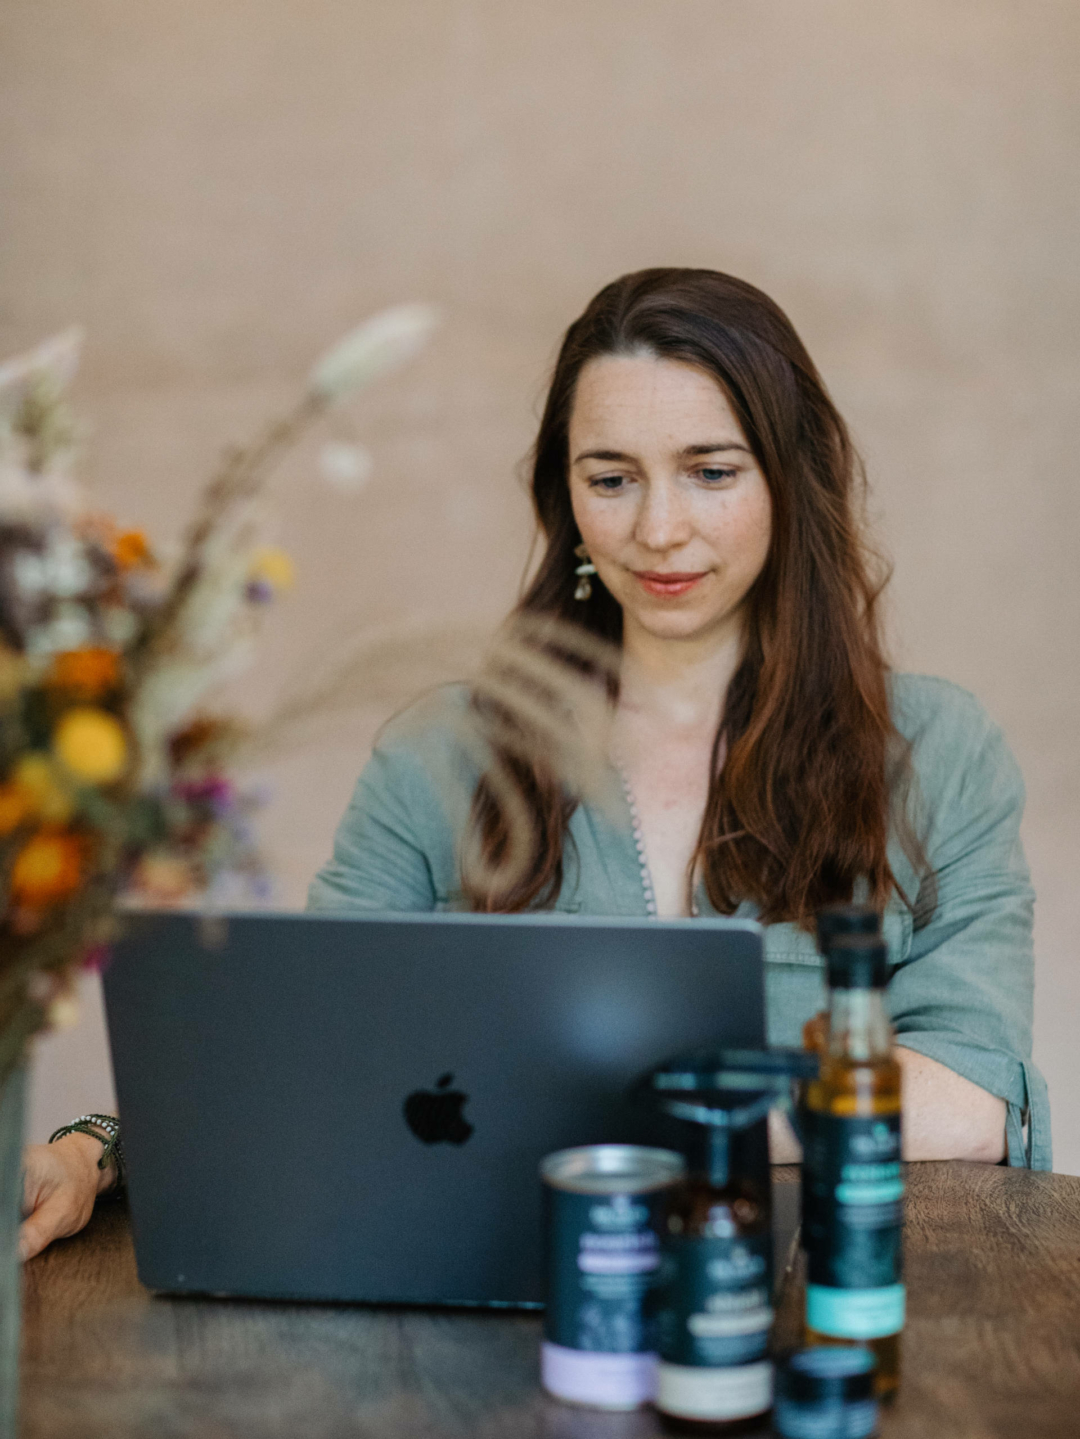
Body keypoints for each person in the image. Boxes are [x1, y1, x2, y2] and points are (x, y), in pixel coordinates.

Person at [19, 268, 1050, 1262]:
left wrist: (599, 1120)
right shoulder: (437, 754)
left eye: (711, 471)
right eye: (611, 478)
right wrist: (92, 1151)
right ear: (565, 496)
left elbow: (969, 1098)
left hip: (823, 1308)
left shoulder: (937, 751)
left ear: (794, 476)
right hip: (499, 1306)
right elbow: (311, 1045)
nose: (659, 528)